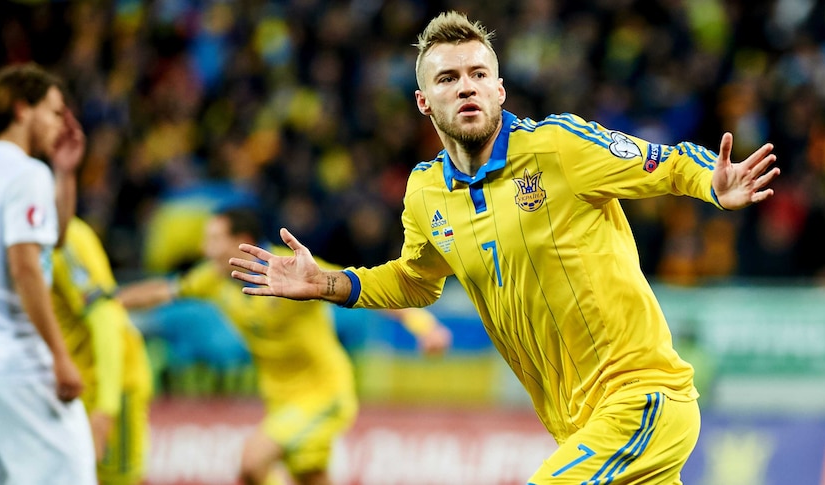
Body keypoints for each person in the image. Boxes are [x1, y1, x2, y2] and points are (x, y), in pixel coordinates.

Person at [229, 11, 781, 485]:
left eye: (478, 74)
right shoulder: (425, 193)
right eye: (448, 78)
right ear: (425, 102)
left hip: (644, 400)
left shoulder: (558, 147)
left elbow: (666, 163)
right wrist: (327, 282)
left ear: (499, 89)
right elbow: (416, 281)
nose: (466, 86)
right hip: (576, 424)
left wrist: (714, 181)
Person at [116, 207, 451, 485]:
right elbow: (164, 291)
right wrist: (110, 302)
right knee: (310, 478)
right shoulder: (214, 277)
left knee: (251, 464)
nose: (206, 250)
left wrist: (424, 326)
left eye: (215, 240)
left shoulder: (291, 269)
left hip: (322, 393)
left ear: (242, 242)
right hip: (280, 399)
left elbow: (363, 288)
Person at [0, 63, 96, 484]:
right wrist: (60, 358)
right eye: (54, 111)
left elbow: (53, 243)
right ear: (21, 109)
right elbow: (27, 266)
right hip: (21, 367)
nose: (62, 124)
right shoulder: (26, 173)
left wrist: (65, 174)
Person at [51, 216, 153, 485]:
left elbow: (105, 316)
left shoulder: (63, 238)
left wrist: (105, 408)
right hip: (61, 388)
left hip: (105, 384)